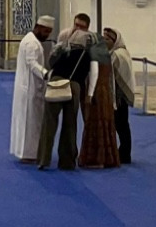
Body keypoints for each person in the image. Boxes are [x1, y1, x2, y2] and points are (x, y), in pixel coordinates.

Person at [37, 17, 92, 171]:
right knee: (70, 124)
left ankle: (43, 158)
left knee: (49, 122)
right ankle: (67, 161)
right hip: (74, 86)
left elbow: (51, 63)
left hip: (57, 82)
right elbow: (89, 72)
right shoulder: (89, 51)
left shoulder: (63, 45)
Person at [9, 18, 52, 162]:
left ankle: (29, 152)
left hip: (30, 87)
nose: (47, 35)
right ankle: (28, 154)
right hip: (29, 89)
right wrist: (46, 73)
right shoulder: (32, 43)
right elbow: (32, 63)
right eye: (46, 31)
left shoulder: (31, 39)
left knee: (31, 122)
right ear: (38, 27)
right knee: (30, 122)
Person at [78, 23, 120, 170]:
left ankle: (96, 159)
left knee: (94, 123)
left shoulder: (95, 53)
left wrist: (89, 94)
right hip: (106, 93)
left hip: (97, 92)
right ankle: (108, 158)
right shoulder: (106, 55)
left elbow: (94, 74)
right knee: (106, 123)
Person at [107, 28, 136, 166]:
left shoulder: (119, 55)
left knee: (122, 124)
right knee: (120, 124)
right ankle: (122, 152)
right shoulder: (116, 53)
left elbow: (118, 76)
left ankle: (125, 153)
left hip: (119, 95)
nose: (105, 41)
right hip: (117, 93)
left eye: (107, 39)